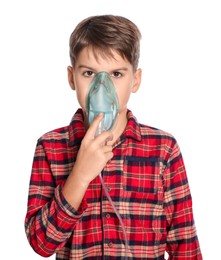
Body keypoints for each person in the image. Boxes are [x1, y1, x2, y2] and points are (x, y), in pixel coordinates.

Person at [24, 15, 202, 259]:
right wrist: (80, 175)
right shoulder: (51, 147)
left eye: (116, 74)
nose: (102, 87)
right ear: (71, 78)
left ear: (135, 80)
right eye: (89, 73)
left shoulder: (163, 150)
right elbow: (41, 244)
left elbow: (185, 245)